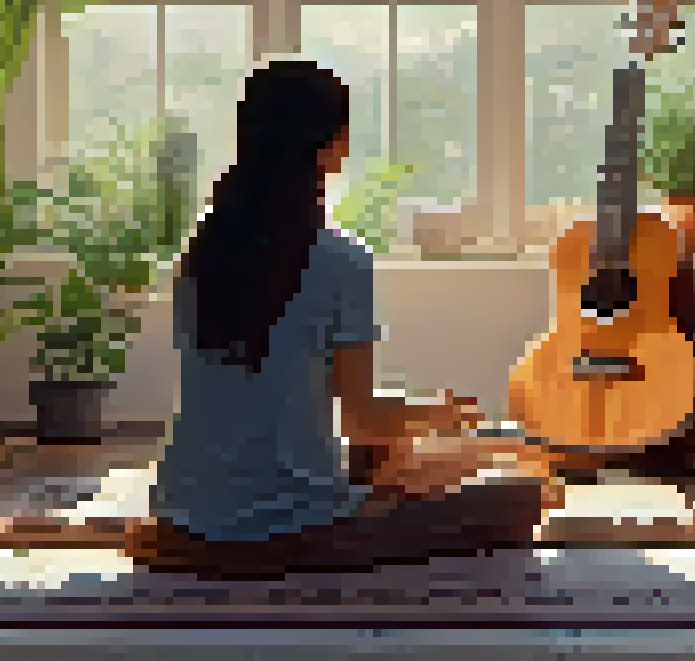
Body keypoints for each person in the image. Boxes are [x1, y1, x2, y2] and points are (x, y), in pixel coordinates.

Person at [124, 59, 559, 578]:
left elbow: (293, 397)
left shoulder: (200, 257)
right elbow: (361, 419)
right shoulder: (341, 260)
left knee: (393, 452)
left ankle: (205, 544)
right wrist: (436, 419)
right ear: (332, 147)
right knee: (522, 497)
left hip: (181, 510)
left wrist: (421, 420)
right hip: (292, 527)